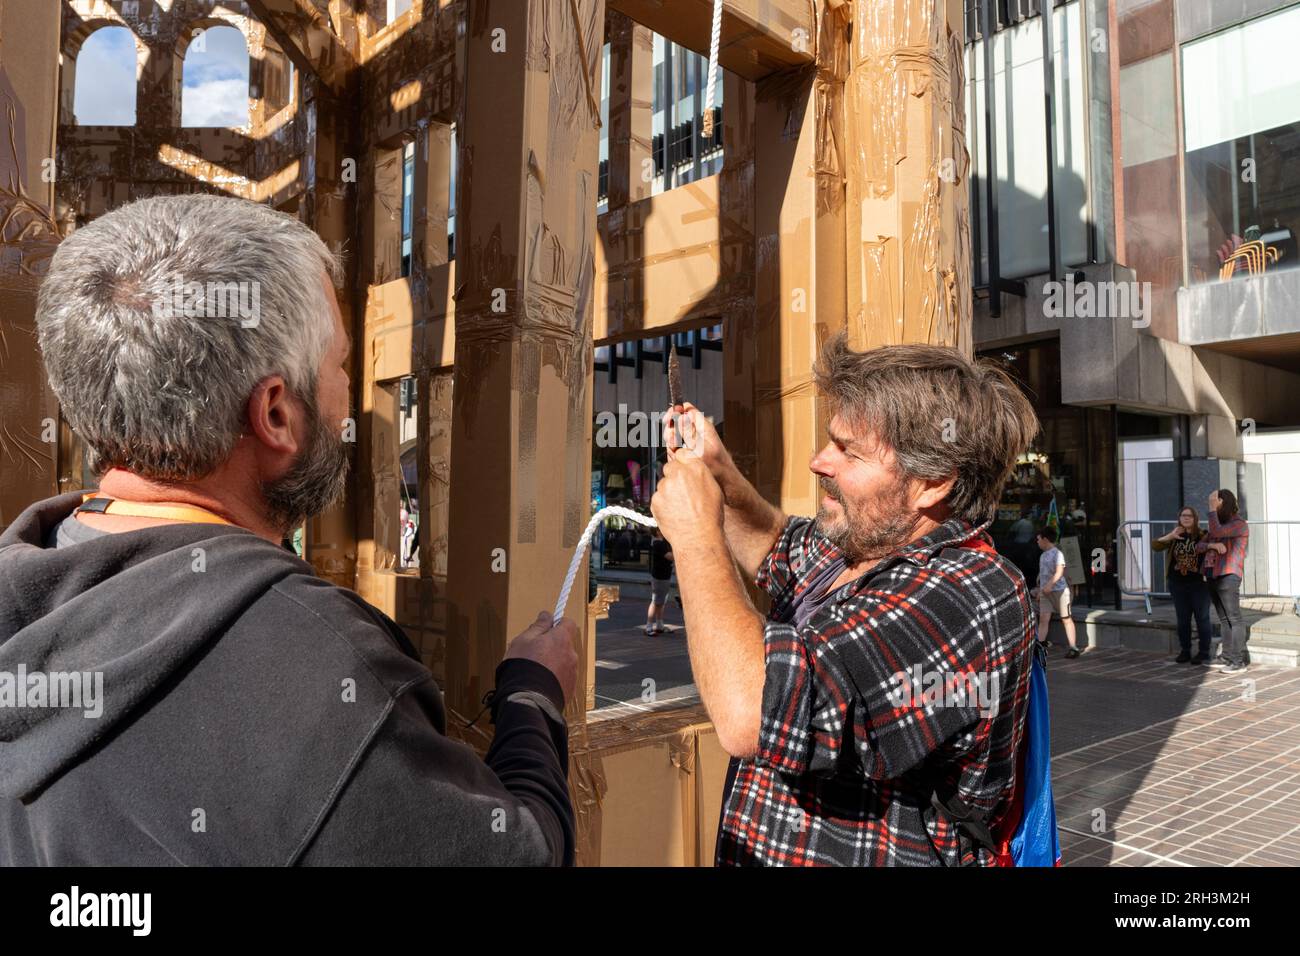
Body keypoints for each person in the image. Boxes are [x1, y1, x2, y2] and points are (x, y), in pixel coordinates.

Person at [0, 195, 577, 865]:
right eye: (337, 364)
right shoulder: (321, 678)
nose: (348, 390)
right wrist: (534, 697)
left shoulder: (26, 581)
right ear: (275, 412)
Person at [651, 334, 1040, 866]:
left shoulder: (969, 595)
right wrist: (719, 470)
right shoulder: (866, 540)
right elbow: (774, 544)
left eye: (847, 451)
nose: (818, 462)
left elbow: (753, 709)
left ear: (932, 482)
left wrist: (696, 535)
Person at [1197, 488, 1251, 673]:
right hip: (1213, 574)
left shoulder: (1239, 524)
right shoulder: (1217, 526)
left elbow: (1218, 532)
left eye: (1215, 502)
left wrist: (1212, 511)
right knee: (1223, 618)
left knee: (1234, 618)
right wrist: (1211, 544)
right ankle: (1227, 656)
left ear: (1224, 502)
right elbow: (1199, 546)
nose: (1211, 506)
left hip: (1229, 575)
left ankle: (1238, 661)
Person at [1152, 506, 1213, 664]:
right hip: (1177, 584)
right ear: (1179, 518)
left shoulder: (1203, 535)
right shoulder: (1175, 536)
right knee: (1183, 619)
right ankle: (1185, 651)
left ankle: (1204, 652)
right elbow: (1156, 546)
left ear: (1195, 518)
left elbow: (1212, 552)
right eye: (1183, 516)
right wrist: (1170, 535)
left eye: (1190, 516)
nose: (1186, 518)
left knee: (1202, 618)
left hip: (1199, 584)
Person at [1033, 527, 1080, 658]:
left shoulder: (1057, 553)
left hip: (1060, 592)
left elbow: (1059, 572)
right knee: (1043, 619)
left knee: (1066, 618)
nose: (1037, 542)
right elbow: (1043, 576)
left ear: (1045, 539)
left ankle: (1073, 647)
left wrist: (1049, 585)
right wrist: (1041, 591)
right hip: (1046, 593)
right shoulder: (1042, 556)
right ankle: (1039, 647)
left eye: (1038, 539)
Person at [645, 528, 675, 635]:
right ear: (658, 531)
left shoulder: (663, 543)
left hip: (664, 576)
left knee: (661, 602)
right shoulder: (658, 544)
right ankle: (648, 626)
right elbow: (670, 557)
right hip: (659, 577)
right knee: (656, 601)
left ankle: (659, 625)